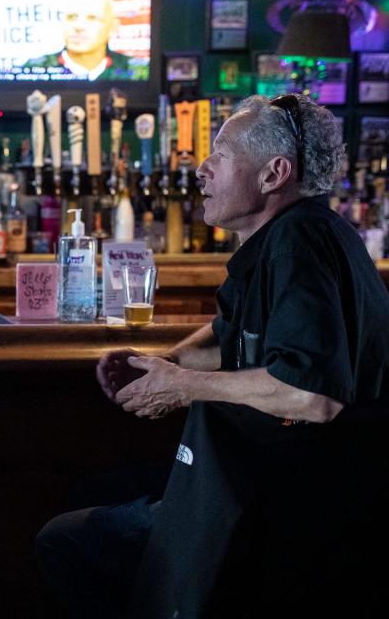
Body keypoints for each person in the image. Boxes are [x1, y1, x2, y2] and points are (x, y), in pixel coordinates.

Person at [36, 94, 389, 617]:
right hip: (268, 480)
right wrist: (158, 365)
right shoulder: (290, 237)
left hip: (297, 505)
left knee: (63, 540)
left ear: (274, 174)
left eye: (220, 154)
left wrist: (180, 386)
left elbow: (313, 393)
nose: (200, 169)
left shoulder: (298, 243)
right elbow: (229, 338)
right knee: (92, 489)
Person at [22, 0, 134, 81]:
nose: (78, 27)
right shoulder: (34, 68)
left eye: (92, 18)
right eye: (71, 17)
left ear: (113, 26)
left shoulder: (136, 69)